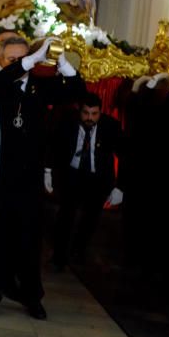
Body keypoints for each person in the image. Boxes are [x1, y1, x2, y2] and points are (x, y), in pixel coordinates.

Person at [0, 36, 83, 319]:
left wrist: (68, 71)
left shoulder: (37, 86)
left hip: (29, 179)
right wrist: (26, 62)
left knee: (29, 239)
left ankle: (31, 295)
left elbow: (76, 94)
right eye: (14, 61)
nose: (21, 67)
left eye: (26, 60)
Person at [49, 92, 124, 270]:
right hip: (72, 175)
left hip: (97, 179)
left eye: (94, 114)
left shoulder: (111, 126)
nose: (90, 118)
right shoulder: (68, 123)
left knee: (90, 219)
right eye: (86, 113)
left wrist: (120, 187)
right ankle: (59, 257)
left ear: (100, 112)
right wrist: (48, 170)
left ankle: (79, 252)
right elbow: (53, 146)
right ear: (79, 111)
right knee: (65, 216)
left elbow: (125, 155)